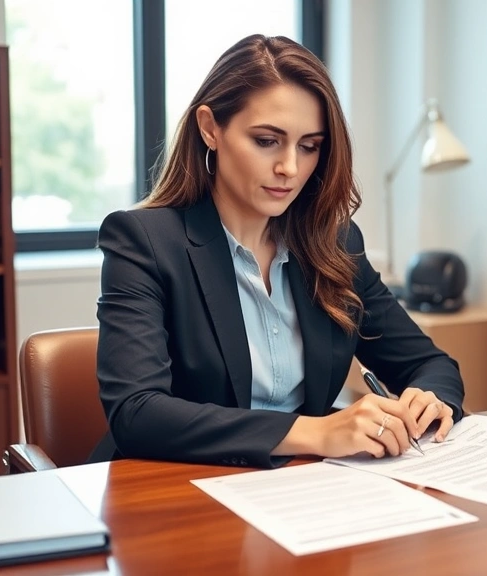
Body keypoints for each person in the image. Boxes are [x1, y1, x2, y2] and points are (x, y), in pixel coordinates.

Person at [90, 35, 465, 469]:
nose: (290, 167)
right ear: (210, 128)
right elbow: (137, 414)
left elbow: (431, 364)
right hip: (177, 492)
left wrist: (429, 401)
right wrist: (317, 431)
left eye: (309, 146)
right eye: (267, 141)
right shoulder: (144, 242)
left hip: (297, 491)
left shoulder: (336, 243)